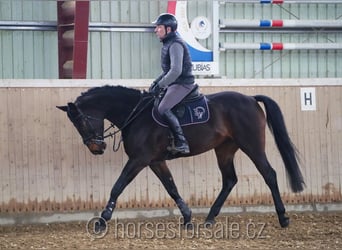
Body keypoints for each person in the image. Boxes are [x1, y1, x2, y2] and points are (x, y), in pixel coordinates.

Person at [149, 13, 196, 155]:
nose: (155, 30)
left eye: (158, 27)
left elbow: (176, 70)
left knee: (163, 108)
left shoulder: (175, 44)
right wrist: (156, 83)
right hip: (174, 83)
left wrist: (161, 85)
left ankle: (182, 143)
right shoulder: (168, 43)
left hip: (183, 84)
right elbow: (168, 70)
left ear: (168, 29)